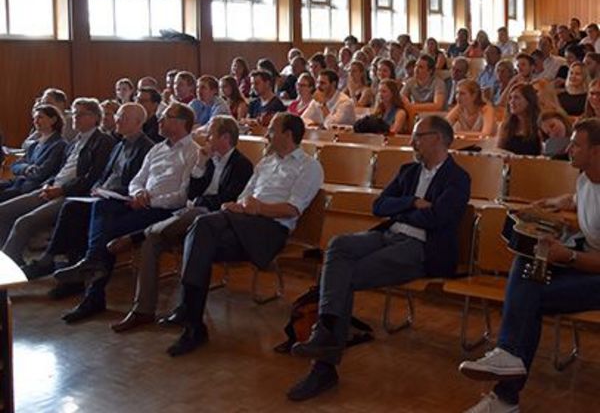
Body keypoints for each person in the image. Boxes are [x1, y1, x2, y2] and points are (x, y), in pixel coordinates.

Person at [288, 116, 471, 401]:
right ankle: (326, 335)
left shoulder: (458, 178)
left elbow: (438, 218)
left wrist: (401, 211)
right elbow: (379, 206)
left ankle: (323, 363)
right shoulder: (408, 170)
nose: (413, 141)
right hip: (389, 235)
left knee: (342, 277)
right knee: (338, 246)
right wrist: (411, 203)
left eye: (418, 136)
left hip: (420, 248)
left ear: (437, 138)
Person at [459, 118, 600, 413]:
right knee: (528, 259)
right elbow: (583, 198)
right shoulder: (586, 179)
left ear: (597, 152)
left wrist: (569, 257)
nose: (569, 148)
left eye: (576, 144)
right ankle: (508, 362)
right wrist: (559, 201)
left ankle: (506, 392)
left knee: (530, 298)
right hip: (586, 261)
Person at [164, 113, 323, 357]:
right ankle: (193, 325)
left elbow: (293, 208)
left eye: (272, 129)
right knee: (202, 243)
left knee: (202, 226)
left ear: (288, 135)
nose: (267, 134)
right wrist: (237, 205)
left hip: (270, 230)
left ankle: (189, 314)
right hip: (243, 222)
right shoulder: (266, 162)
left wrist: (259, 208)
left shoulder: (309, 166)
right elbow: (243, 197)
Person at [53, 102, 201, 323]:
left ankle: (93, 290)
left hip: (164, 211)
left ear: (182, 123)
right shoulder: (157, 149)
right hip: (139, 203)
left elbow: (183, 196)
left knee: (106, 232)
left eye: (166, 116)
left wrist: (150, 200)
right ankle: (93, 267)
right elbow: (136, 180)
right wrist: (139, 192)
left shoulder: (193, 152)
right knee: (100, 206)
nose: (159, 119)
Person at [108, 115, 254, 332]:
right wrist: (201, 165)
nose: (206, 137)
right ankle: (143, 310)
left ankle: (135, 236)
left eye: (211, 134)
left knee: (188, 215)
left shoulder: (241, 165)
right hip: (190, 214)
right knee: (151, 243)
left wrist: (199, 201)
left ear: (225, 137)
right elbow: (192, 192)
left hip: (216, 220)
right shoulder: (209, 160)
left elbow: (227, 200)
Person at [20, 103, 154, 285]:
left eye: (123, 117)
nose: (117, 120)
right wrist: (98, 188)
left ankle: (81, 268)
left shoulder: (145, 148)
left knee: (88, 211)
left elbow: (136, 182)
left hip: (121, 201)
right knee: (72, 208)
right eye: (117, 116)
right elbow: (103, 175)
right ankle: (60, 262)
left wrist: (106, 192)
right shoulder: (119, 145)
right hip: (102, 195)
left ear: (138, 122)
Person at [0, 98, 115, 266]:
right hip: (52, 188)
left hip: (72, 194)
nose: (75, 117)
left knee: (24, 222)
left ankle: (5, 272)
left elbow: (91, 177)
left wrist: (61, 190)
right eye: (74, 113)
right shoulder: (74, 142)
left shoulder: (103, 141)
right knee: (3, 212)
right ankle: (13, 257)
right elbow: (60, 171)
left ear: (95, 117)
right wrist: (49, 184)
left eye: (80, 114)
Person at [0, 105, 67, 203]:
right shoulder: (34, 145)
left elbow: (41, 173)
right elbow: (14, 166)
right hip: (18, 182)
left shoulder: (59, 145)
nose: (35, 121)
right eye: (34, 118)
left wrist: (25, 169)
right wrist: (27, 168)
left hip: (31, 188)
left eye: (40, 117)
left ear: (53, 120)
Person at [497, 84, 542, 156]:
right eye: (510, 98)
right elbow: (499, 152)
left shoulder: (539, 125)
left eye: (516, 98)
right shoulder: (506, 126)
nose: (511, 102)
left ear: (529, 101)